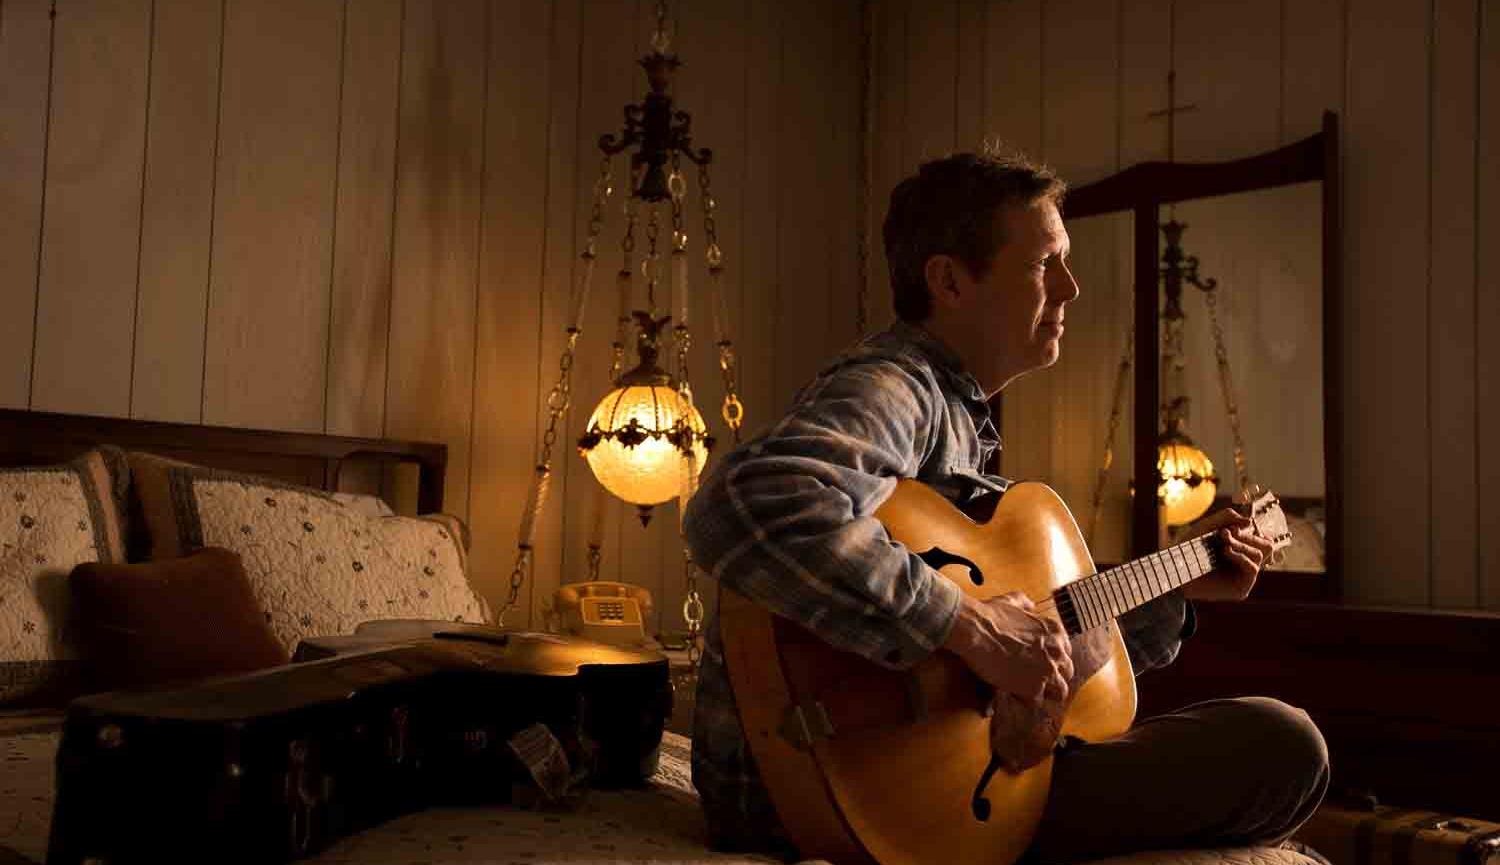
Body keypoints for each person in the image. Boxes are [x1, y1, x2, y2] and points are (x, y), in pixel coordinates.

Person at [681, 153, 1329, 864]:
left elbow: (1054, 645)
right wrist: (968, 625)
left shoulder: (961, 420)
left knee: (1271, 745)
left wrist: (1184, 577)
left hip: (909, 780)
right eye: (1044, 263)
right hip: (813, 792)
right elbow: (744, 503)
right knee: (1283, 745)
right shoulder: (897, 387)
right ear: (950, 279)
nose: (1071, 287)